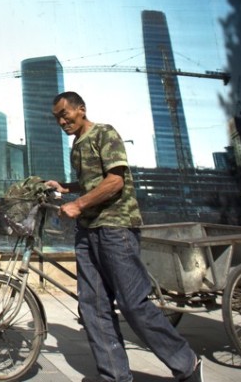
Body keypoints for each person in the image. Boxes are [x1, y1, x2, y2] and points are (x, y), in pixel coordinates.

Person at [45, 91, 202, 382]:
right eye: (56, 117)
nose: (61, 121)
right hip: (88, 231)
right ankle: (114, 376)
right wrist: (67, 188)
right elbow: (91, 181)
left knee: (132, 304)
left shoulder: (105, 133)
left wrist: (78, 205)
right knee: (93, 306)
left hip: (116, 227)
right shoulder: (77, 145)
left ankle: (187, 363)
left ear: (82, 109)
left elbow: (115, 180)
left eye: (65, 113)